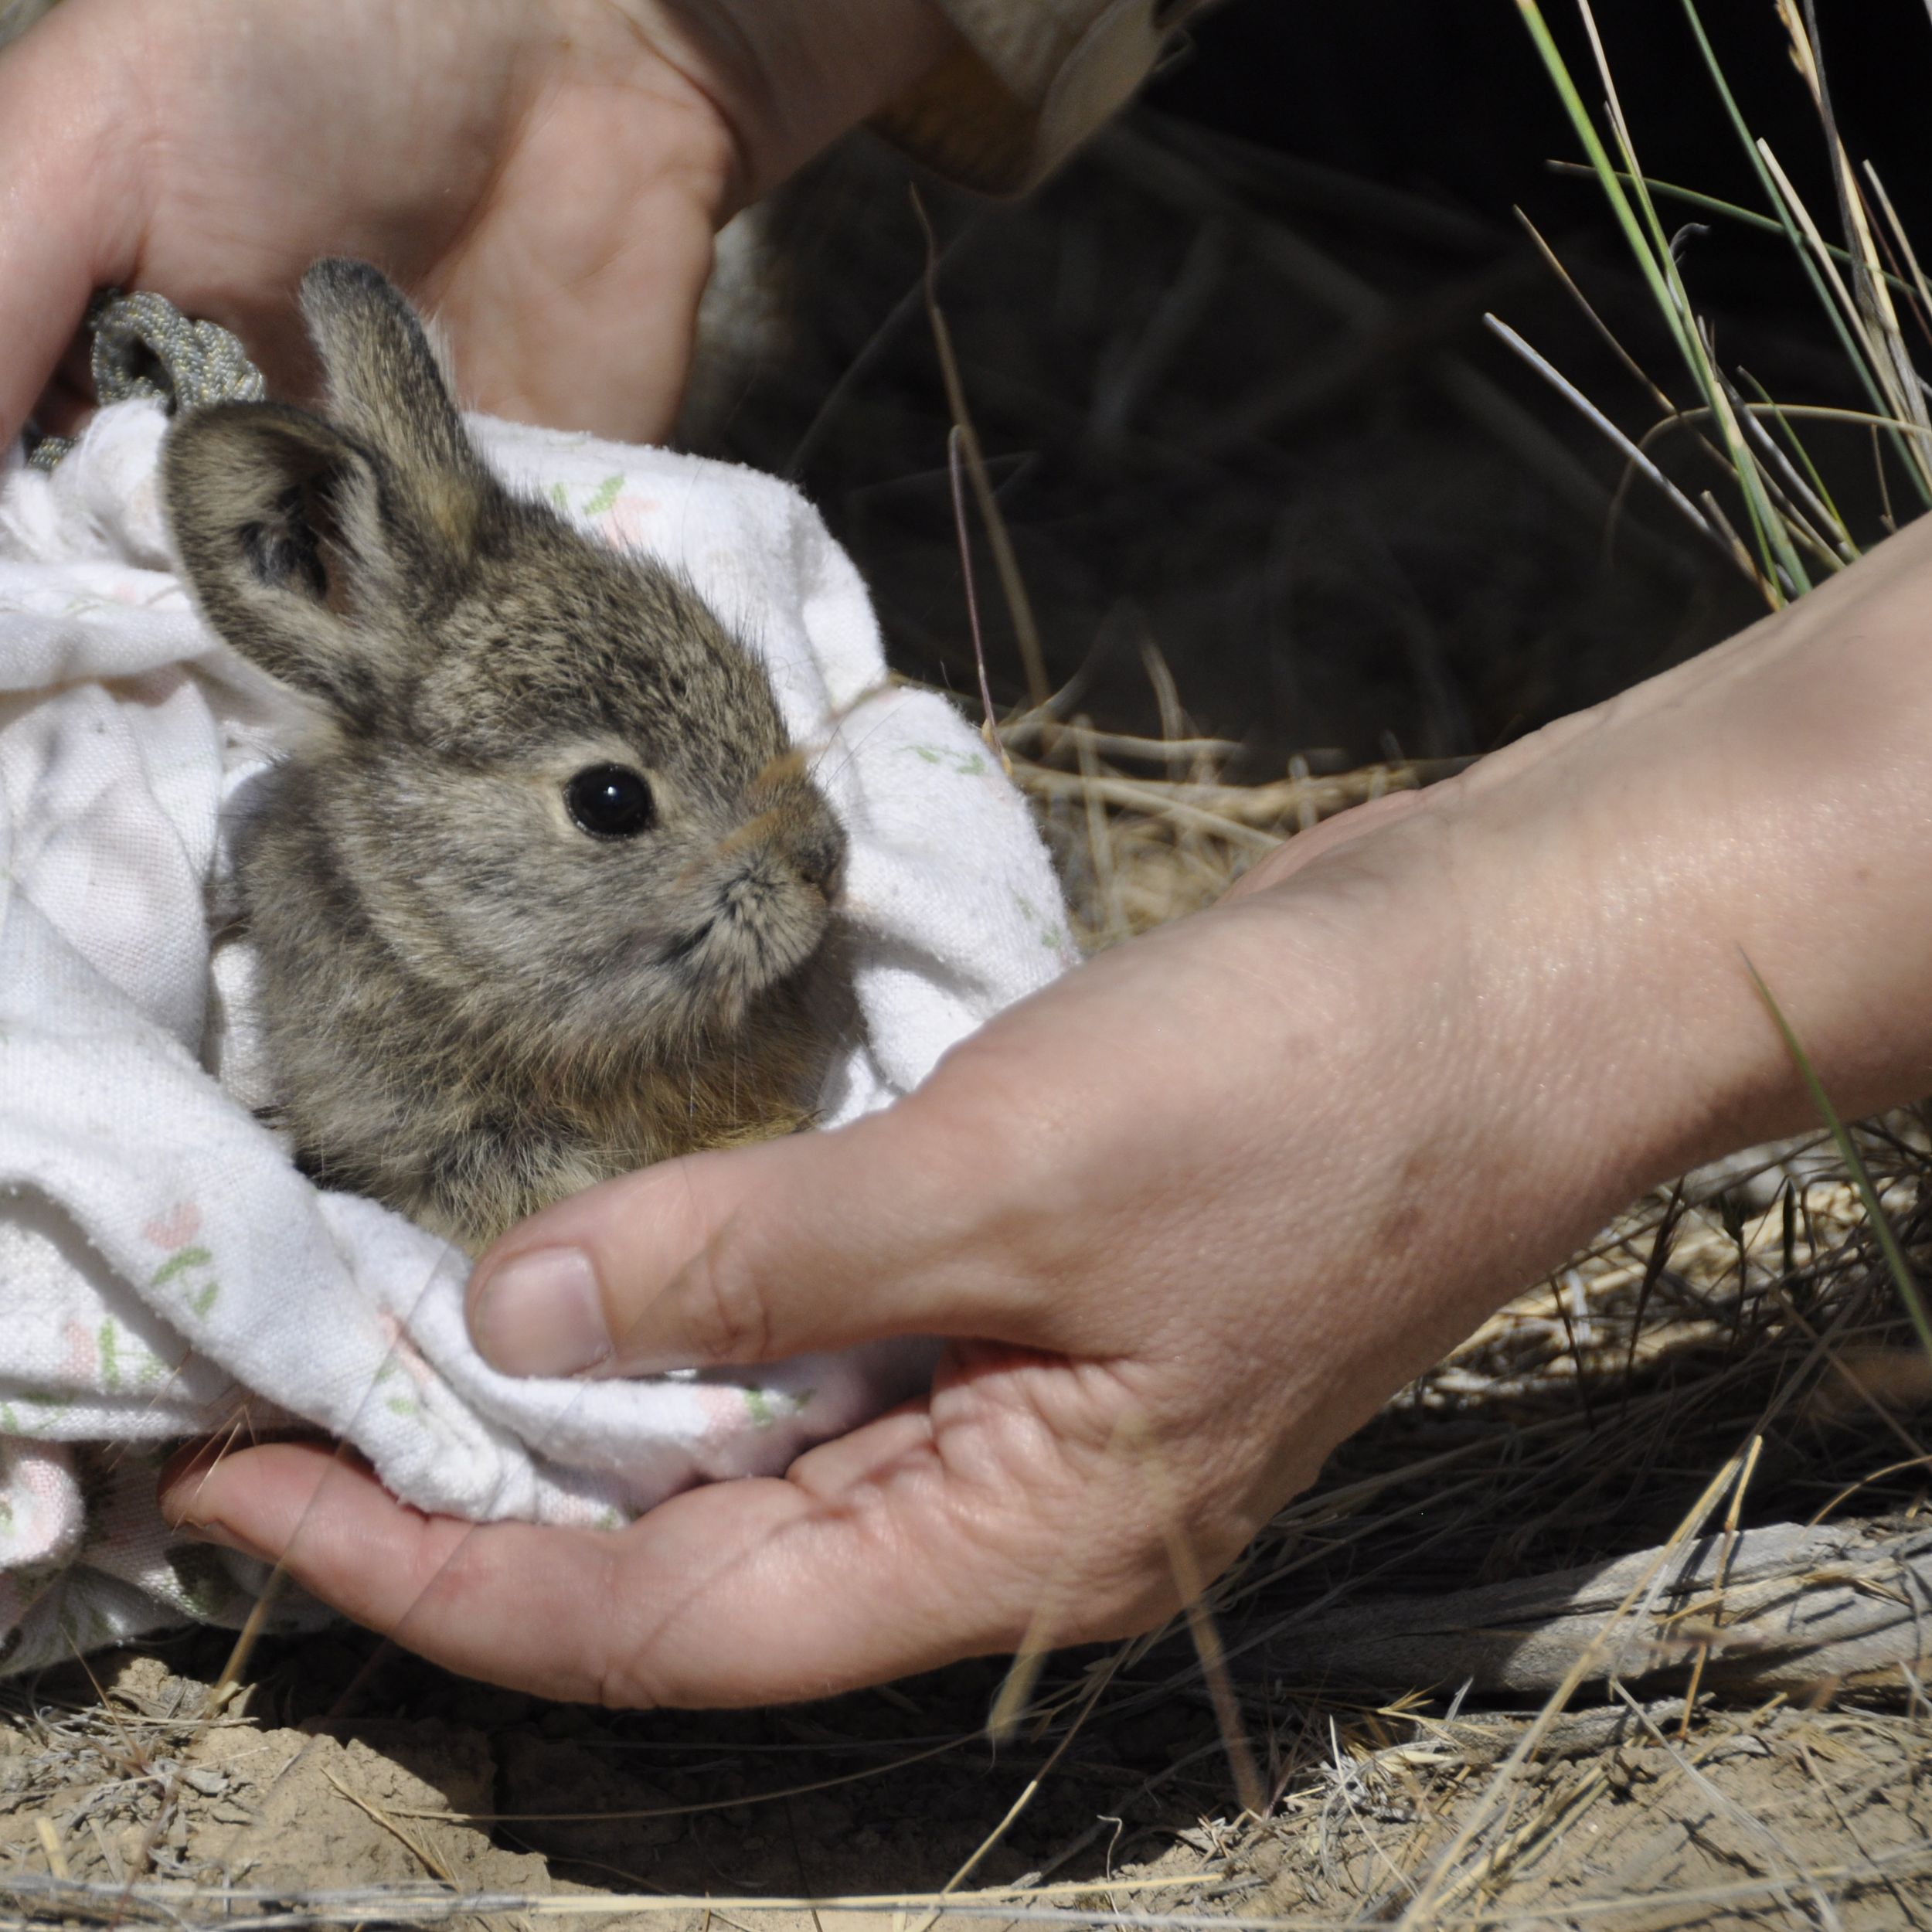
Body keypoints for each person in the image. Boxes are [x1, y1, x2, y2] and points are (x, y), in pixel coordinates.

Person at [5, 0, 1930, 1709]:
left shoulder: (733, 990)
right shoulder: (337, 912)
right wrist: (635, 36)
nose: (809, 863)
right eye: (615, 801)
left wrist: (1542, 993)